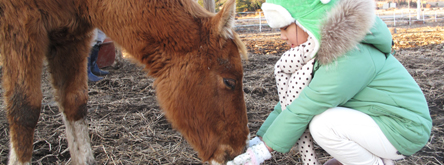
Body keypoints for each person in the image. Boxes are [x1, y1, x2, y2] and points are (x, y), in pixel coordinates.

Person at [228, 0, 432, 165]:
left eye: (284, 27)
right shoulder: (321, 55)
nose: (281, 36)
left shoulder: (349, 56)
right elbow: (291, 102)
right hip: (384, 120)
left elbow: (304, 106)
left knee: (323, 125)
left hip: (404, 128)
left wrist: (262, 152)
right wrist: (260, 139)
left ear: (309, 22)